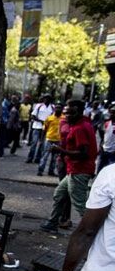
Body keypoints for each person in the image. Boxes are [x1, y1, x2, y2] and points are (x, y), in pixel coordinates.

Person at [40, 100, 98, 234]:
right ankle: (52, 222)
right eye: (66, 113)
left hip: (79, 170)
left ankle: (93, 232)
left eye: (70, 113)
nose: (67, 116)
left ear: (78, 112)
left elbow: (83, 153)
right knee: (59, 194)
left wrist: (61, 150)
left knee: (80, 204)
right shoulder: (83, 123)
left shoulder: (79, 128)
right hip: (74, 169)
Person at [26, 94, 54, 164]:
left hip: (46, 128)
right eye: (45, 98)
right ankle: (30, 158)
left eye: (47, 98)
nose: (46, 100)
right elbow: (33, 116)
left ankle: (38, 159)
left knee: (42, 144)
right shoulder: (39, 106)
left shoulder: (52, 107)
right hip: (37, 126)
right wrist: (40, 121)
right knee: (34, 143)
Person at [37, 104, 62, 176]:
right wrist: (41, 140)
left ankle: (51, 171)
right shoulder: (49, 118)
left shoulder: (63, 118)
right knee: (45, 155)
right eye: (57, 108)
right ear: (54, 110)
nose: (58, 109)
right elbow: (44, 129)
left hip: (58, 140)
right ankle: (40, 170)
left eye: (59, 108)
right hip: (49, 139)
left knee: (55, 157)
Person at [98, 105, 115, 172]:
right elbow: (103, 136)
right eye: (111, 112)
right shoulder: (107, 123)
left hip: (112, 153)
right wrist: (101, 146)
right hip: (104, 150)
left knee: (109, 172)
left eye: (114, 113)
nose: (112, 114)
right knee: (99, 170)